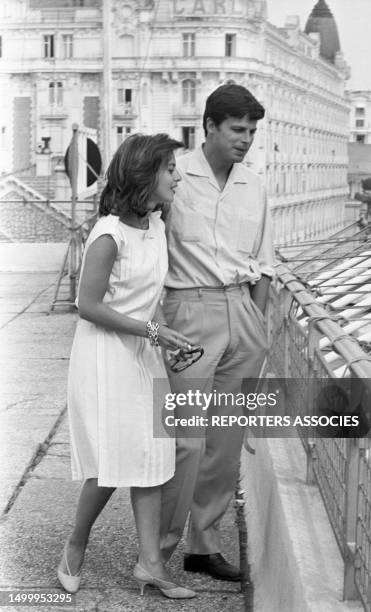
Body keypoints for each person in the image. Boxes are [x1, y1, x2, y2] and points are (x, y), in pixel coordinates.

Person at [57, 133, 196, 600]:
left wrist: (164, 339)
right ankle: (75, 545)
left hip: (142, 352)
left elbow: (145, 299)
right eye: (169, 168)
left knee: (153, 457)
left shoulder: (156, 225)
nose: (177, 176)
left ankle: (150, 565)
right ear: (144, 174)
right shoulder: (107, 235)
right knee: (112, 462)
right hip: (104, 358)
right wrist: (153, 333)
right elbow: (87, 305)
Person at [160, 83, 275, 580]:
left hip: (242, 314)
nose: (246, 139)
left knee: (224, 441)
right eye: (237, 129)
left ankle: (203, 546)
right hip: (189, 312)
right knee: (185, 438)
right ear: (209, 126)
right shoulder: (175, 176)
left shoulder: (256, 185)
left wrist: (259, 328)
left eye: (251, 131)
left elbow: (264, 264)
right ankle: (158, 548)